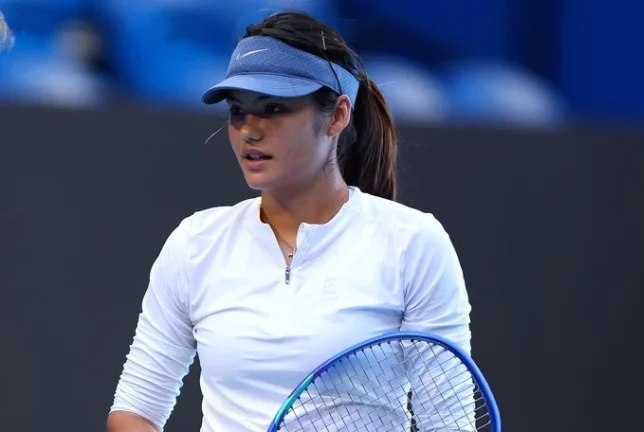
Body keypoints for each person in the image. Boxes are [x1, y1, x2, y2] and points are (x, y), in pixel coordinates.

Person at [107, 11, 472, 432]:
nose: (248, 130)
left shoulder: (412, 242)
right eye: (238, 110)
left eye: (274, 108)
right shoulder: (195, 242)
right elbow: (134, 411)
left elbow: (449, 423)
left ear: (337, 115)